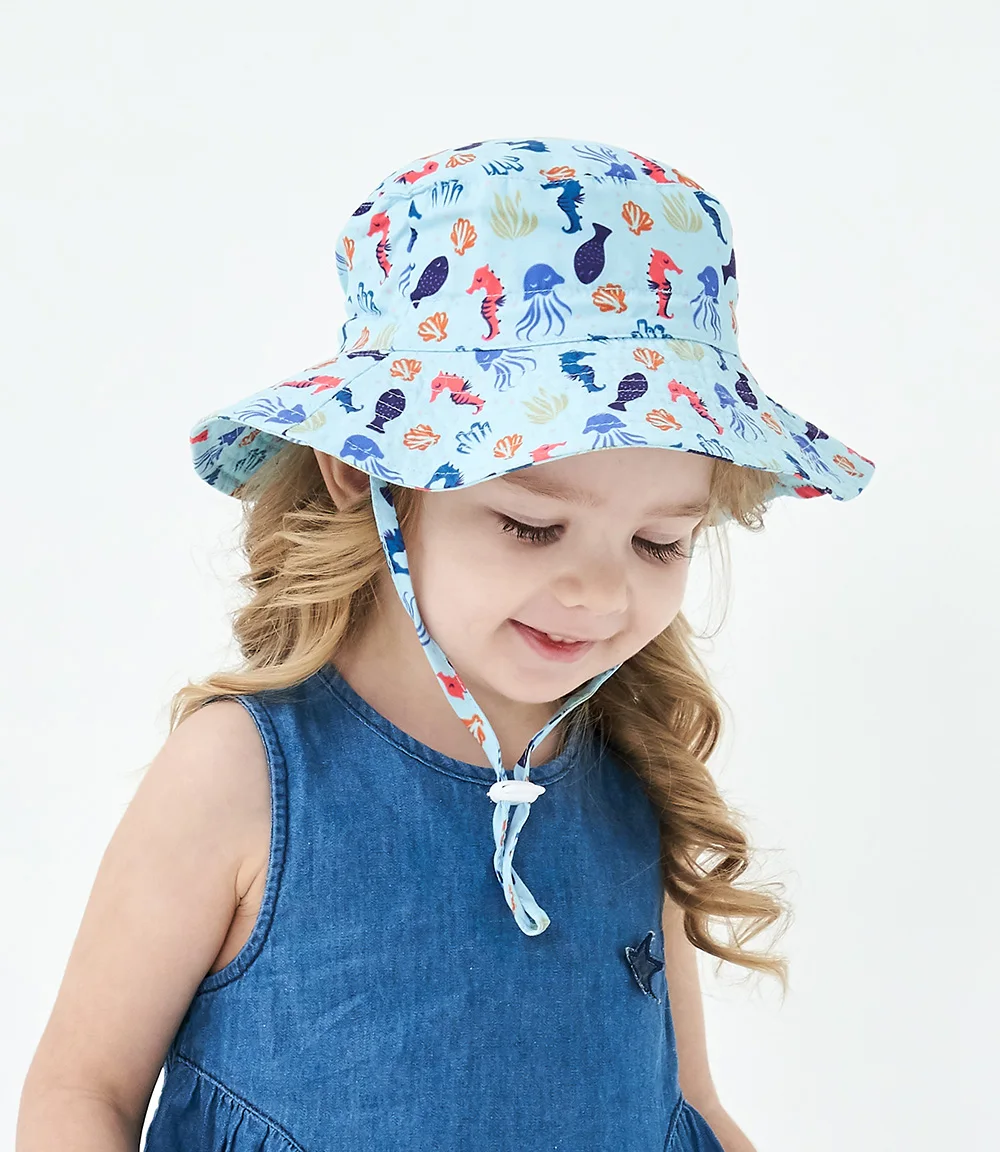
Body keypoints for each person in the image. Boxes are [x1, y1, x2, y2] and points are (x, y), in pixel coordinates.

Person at [17, 135, 874, 1151]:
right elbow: (82, 1092)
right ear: (366, 472)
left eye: (660, 543)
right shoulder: (243, 773)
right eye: (532, 526)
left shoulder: (635, 773)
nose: (601, 593)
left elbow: (689, 1107)